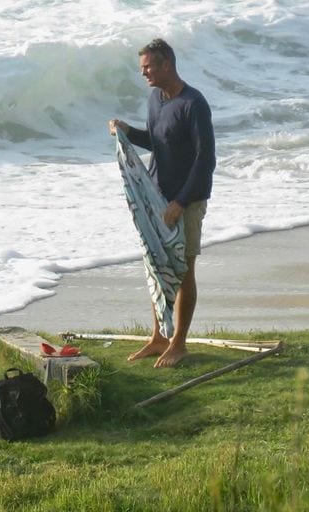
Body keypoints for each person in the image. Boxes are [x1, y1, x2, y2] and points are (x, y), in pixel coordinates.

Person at [108, 38, 216, 368]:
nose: (144, 74)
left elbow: (206, 159)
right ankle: (158, 338)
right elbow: (158, 141)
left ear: (166, 64)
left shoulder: (193, 103)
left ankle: (179, 343)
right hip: (158, 198)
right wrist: (128, 132)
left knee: (183, 270)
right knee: (157, 267)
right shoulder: (155, 99)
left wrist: (181, 201)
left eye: (148, 67)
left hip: (187, 200)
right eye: (142, 69)